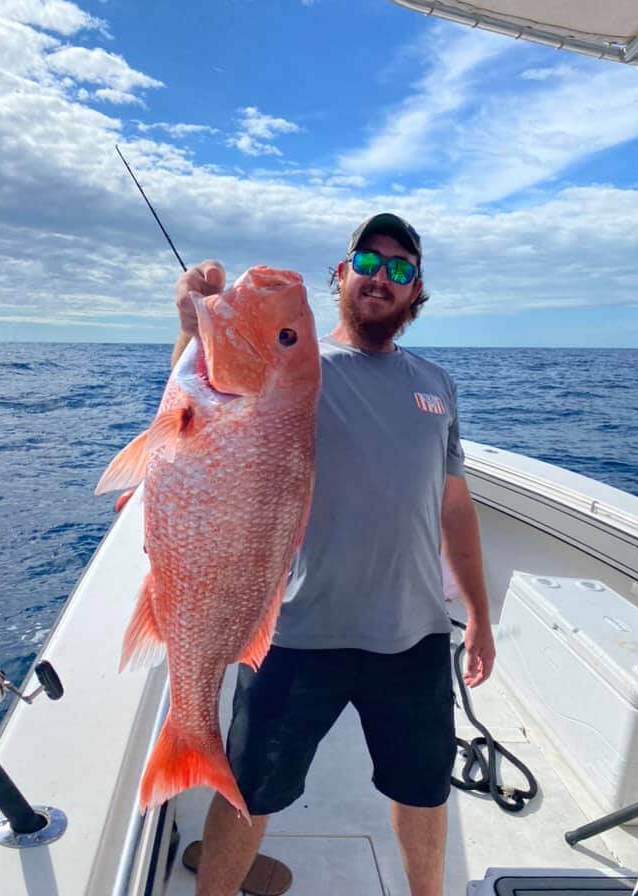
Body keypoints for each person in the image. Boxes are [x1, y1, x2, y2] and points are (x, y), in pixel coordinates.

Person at [172, 213, 496, 896]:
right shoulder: (292, 367)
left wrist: (482, 618)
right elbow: (200, 419)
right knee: (248, 793)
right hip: (295, 631)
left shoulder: (437, 384)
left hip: (411, 636)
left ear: (415, 293)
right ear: (341, 275)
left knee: (425, 790)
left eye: (401, 267)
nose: (383, 275)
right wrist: (191, 321)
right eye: (367, 260)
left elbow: (454, 505)